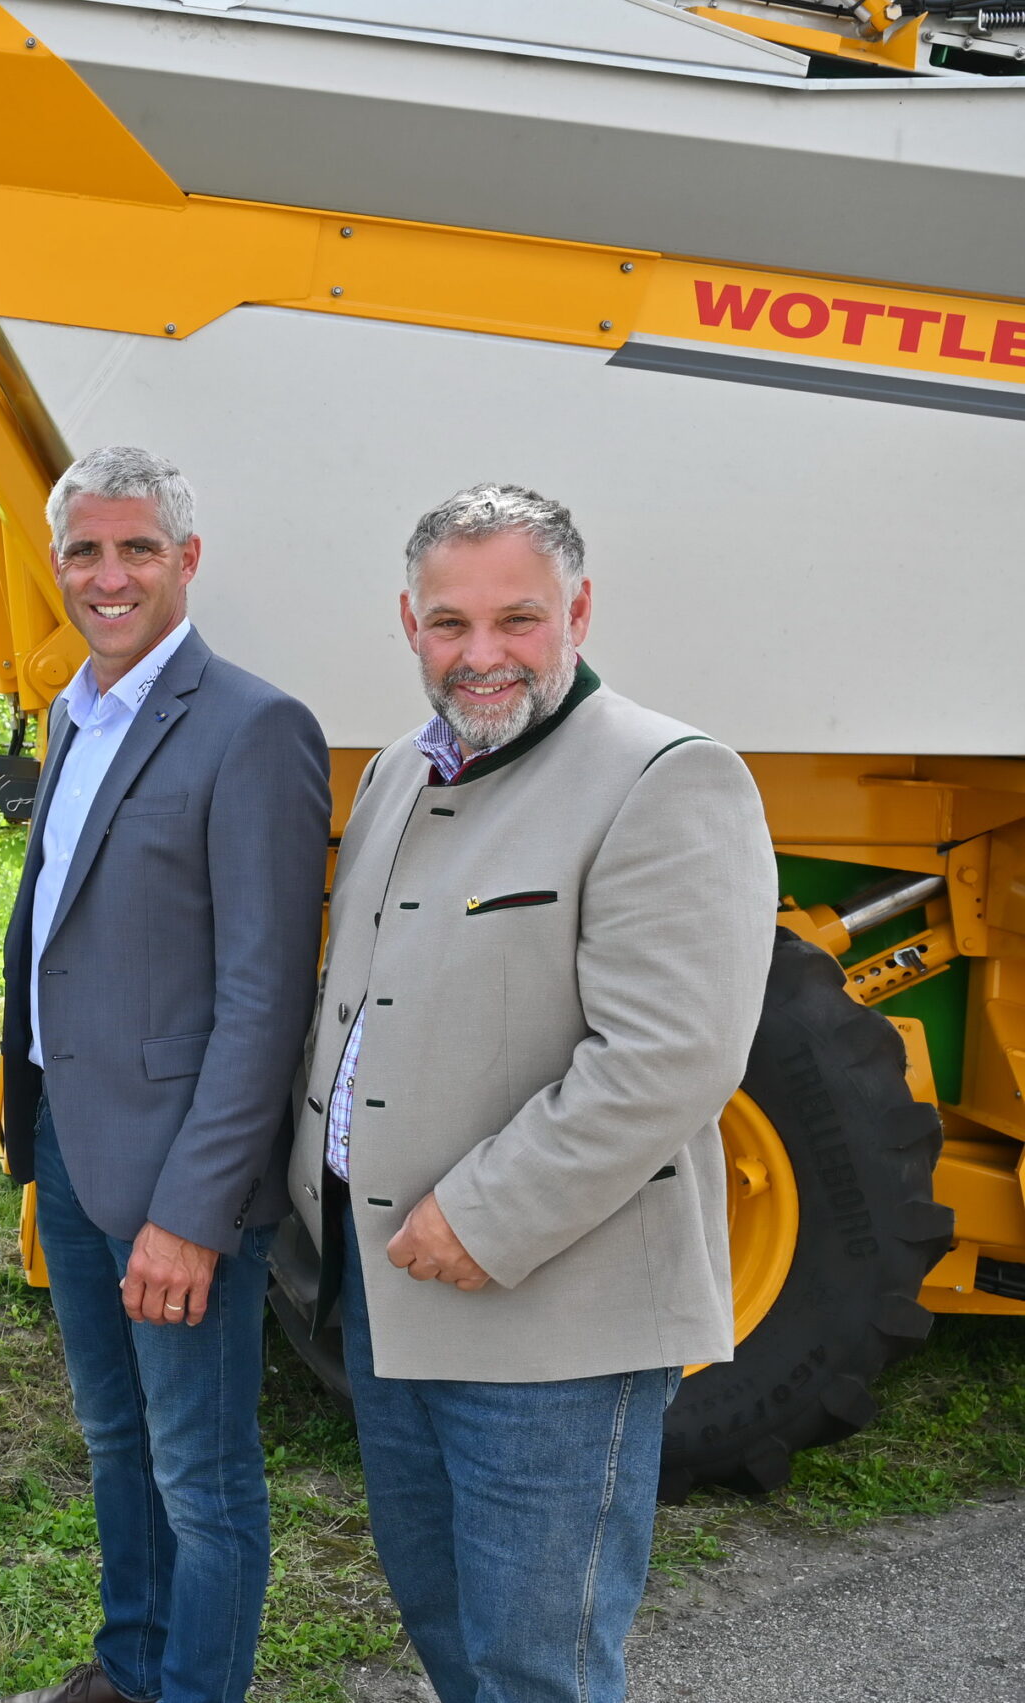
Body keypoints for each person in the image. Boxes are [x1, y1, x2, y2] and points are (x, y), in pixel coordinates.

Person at [288, 485, 774, 1703]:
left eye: (518, 617)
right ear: (408, 621)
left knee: (533, 1666)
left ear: (579, 609)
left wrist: (483, 1216)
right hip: (390, 1293)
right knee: (451, 1630)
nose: (482, 653)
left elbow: (669, 1053)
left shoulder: (667, 776)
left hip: (548, 1321)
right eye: (449, 623)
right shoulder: (400, 769)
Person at [0, 448, 330, 1703]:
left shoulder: (253, 727)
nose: (108, 573)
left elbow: (262, 996)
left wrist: (194, 1214)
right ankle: (129, 1667)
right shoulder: (73, 714)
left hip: (178, 1177)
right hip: (76, 1154)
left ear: (187, 560)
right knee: (115, 1440)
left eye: (137, 547)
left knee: (200, 1470)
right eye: (85, 549)